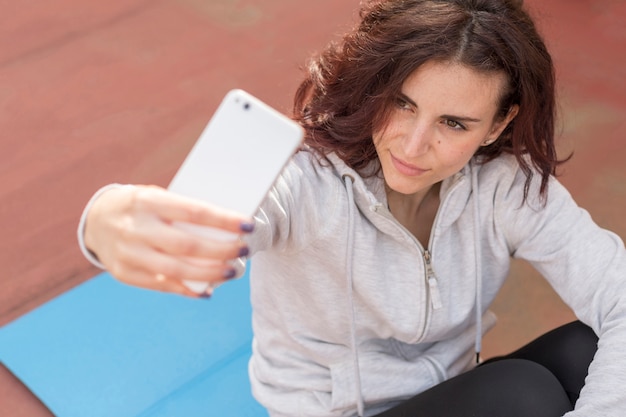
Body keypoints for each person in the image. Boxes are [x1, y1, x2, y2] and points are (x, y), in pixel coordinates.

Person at [77, 0, 626, 416]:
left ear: (499, 124)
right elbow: (228, 216)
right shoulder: (305, 180)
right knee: (522, 391)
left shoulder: (505, 187)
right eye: (401, 104)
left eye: (453, 123)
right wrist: (108, 221)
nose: (412, 147)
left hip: (448, 394)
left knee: (588, 349)